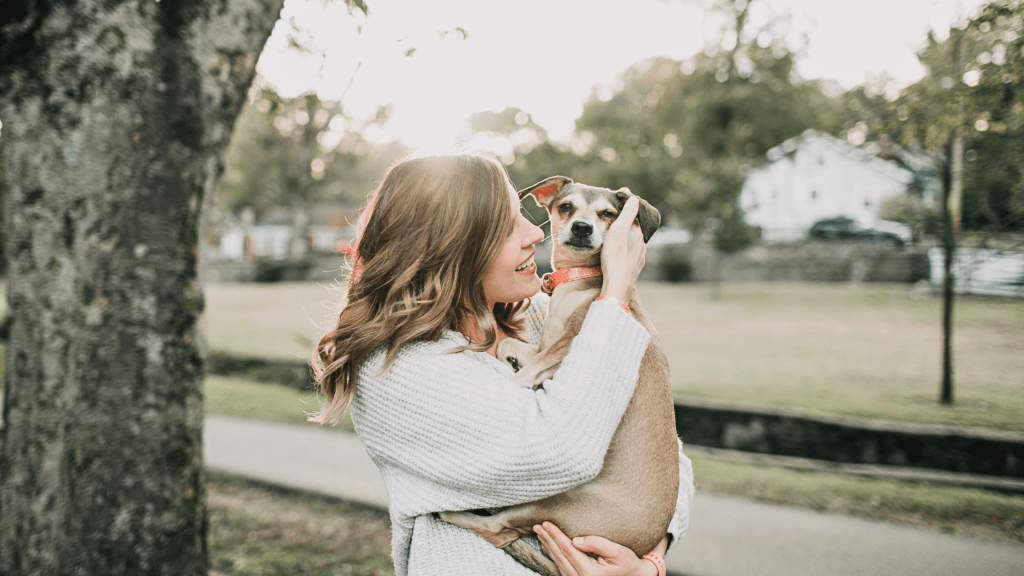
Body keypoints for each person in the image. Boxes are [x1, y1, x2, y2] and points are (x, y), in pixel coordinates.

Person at [311, 151, 695, 576]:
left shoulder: (536, 316)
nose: (536, 231)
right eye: (508, 225)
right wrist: (617, 292)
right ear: (452, 246)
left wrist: (649, 563)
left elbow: (664, 455)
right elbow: (561, 451)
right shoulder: (395, 372)